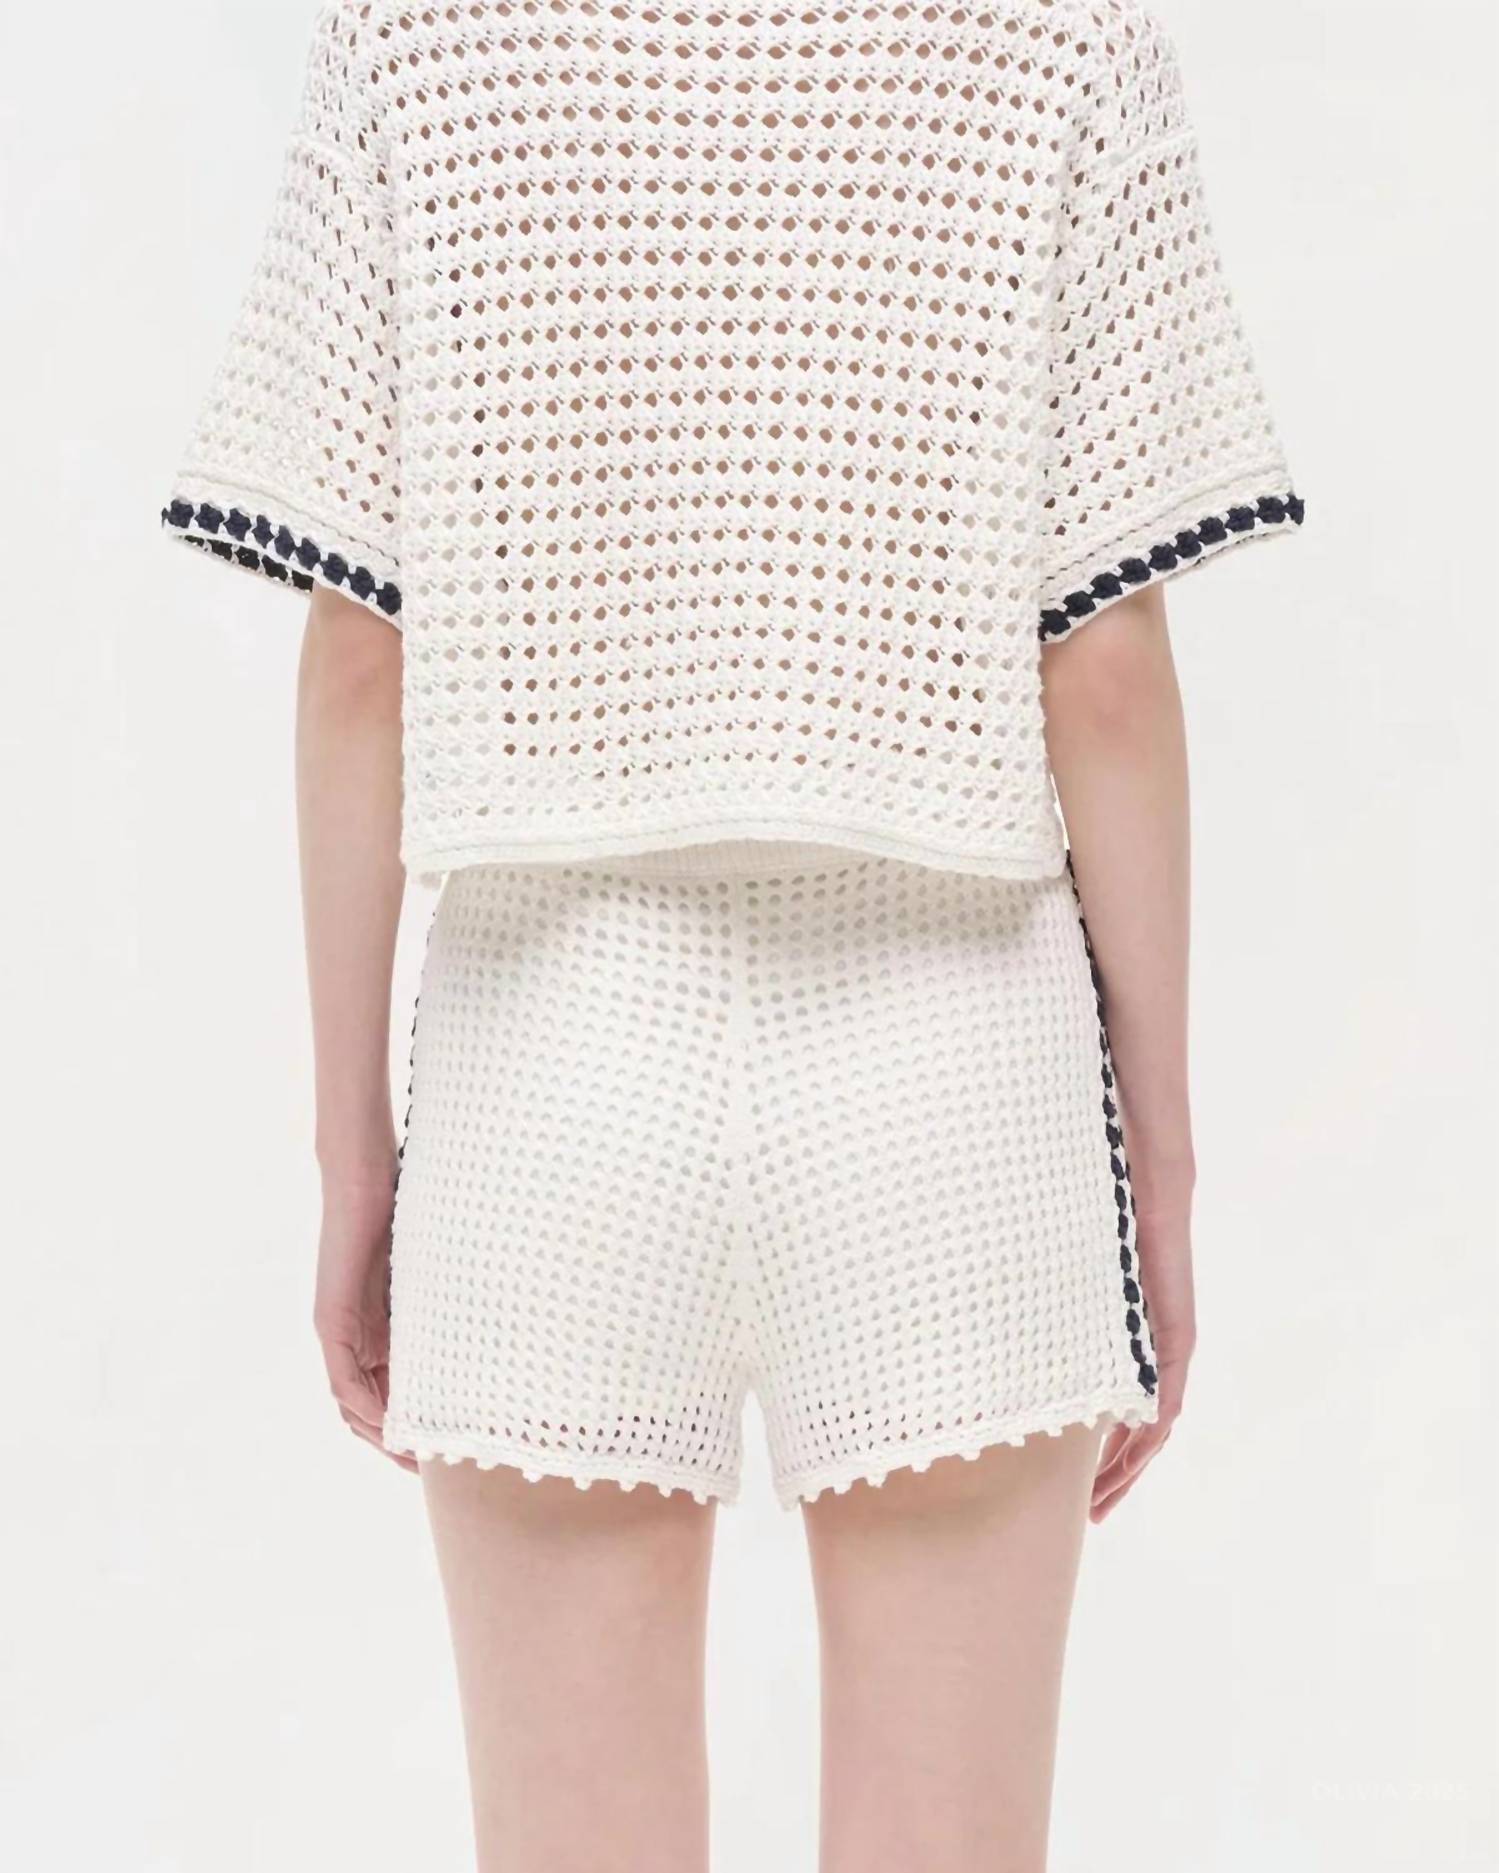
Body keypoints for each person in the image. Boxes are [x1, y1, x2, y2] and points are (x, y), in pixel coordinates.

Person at [161, 3, 1302, 1867]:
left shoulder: (414, 34)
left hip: (552, 1073)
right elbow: (1103, 660)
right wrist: (1158, 1169)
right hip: (953, 1075)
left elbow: (359, 649)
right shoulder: (1067, 32)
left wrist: (352, 1152)